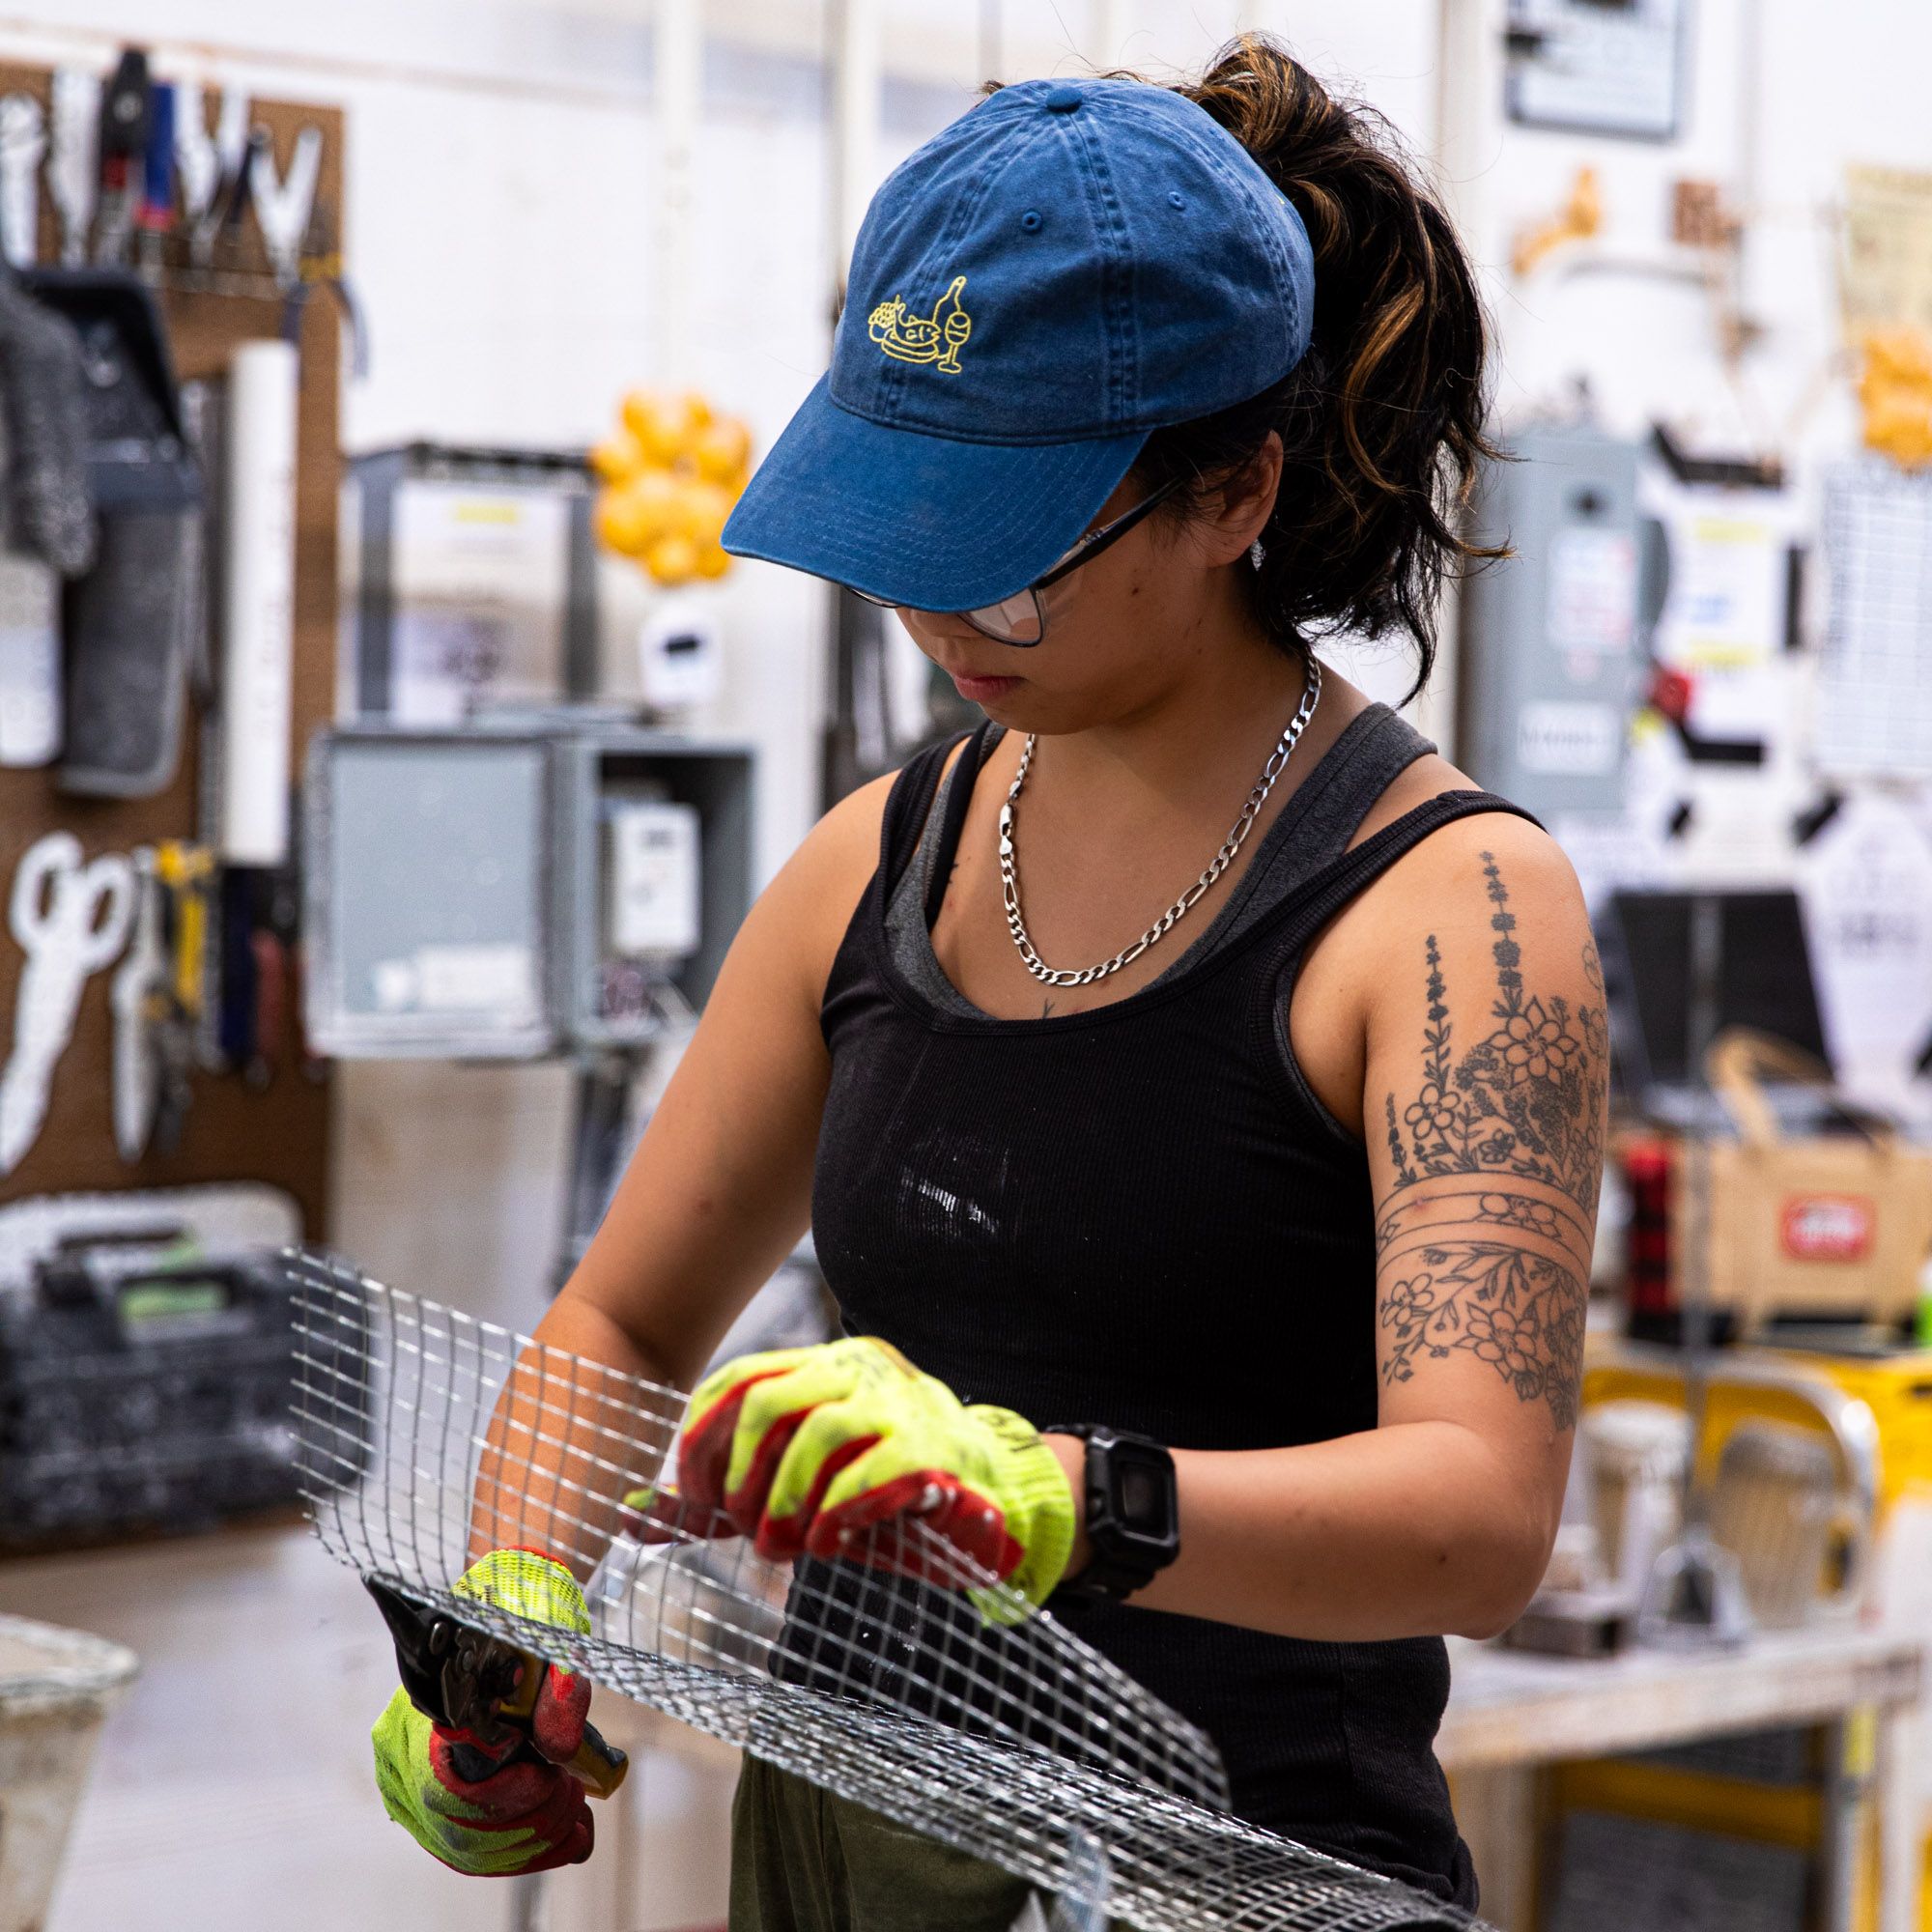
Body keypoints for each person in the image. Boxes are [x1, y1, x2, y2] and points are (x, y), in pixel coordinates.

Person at [370, 34, 1609, 1927]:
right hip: (872, 1863)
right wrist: (510, 1605)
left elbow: (1477, 1517)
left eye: (1008, 565)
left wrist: (1065, 1496)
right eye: (904, 544)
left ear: (1231, 490)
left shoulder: (1452, 914)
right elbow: (622, 1321)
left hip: (1241, 1881)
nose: (946, 618)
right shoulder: (876, 859)